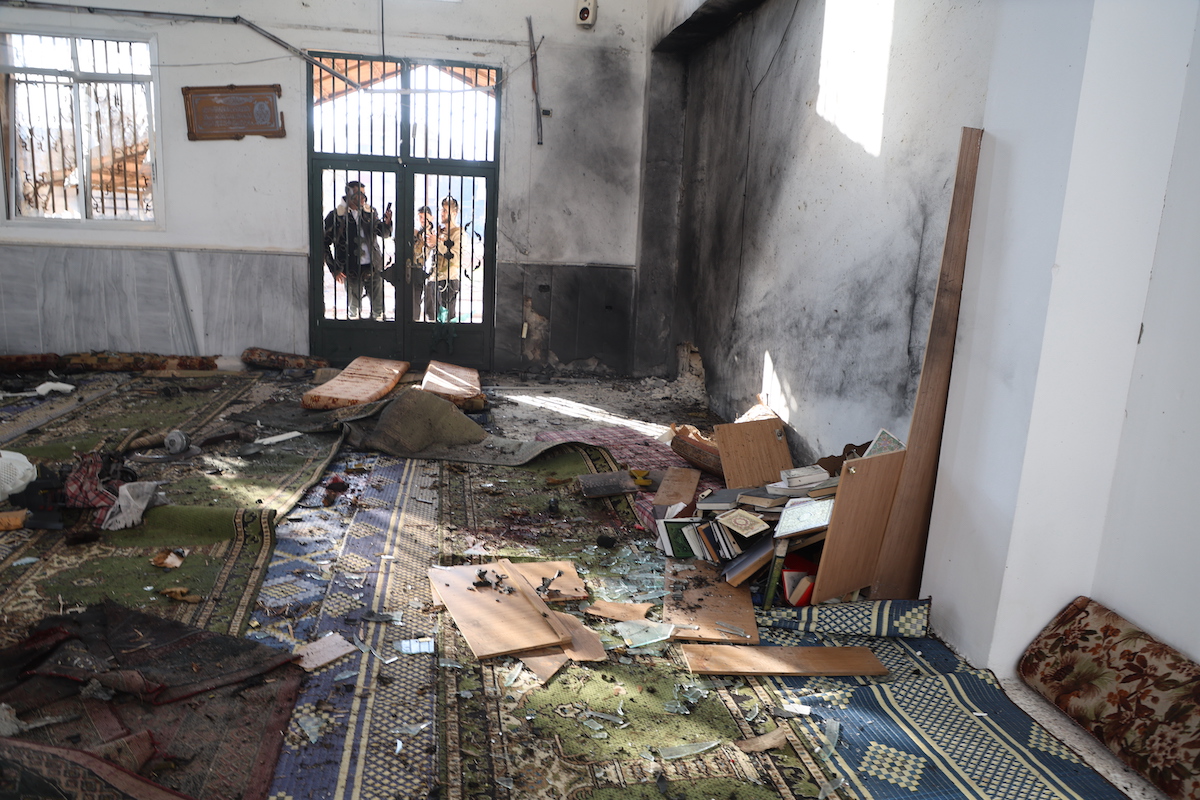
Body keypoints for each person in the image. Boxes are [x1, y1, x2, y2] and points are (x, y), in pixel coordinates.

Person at [323, 180, 393, 320]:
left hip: (373, 266)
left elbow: (383, 234)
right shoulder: (336, 216)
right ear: (348, 194)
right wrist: (334, 268)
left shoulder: (370, 212)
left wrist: (387, 223)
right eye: (358, 194)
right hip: (349, 268)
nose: (362, 198)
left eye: (363, 194)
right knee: (353, 310)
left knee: (378, 309)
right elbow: (324, 243)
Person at [424, 195, 464, 323]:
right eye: (442, 210)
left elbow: (455, 257)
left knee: (446, 320)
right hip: (435, 279)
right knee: (434, 319)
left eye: (445, 211)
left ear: (454, 213)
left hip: (449, 280)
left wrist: (438, 243)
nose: (442, 213)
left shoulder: (458, 233)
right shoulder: (441, 231)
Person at [407, 206, 436, 320]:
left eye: (425, 217)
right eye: (420, 217)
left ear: (431, 217)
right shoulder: (415, 233)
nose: (422, 219)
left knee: (431, 306)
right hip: (417, 271)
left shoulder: (435, 233)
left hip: (431, 273)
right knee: (415, 303)